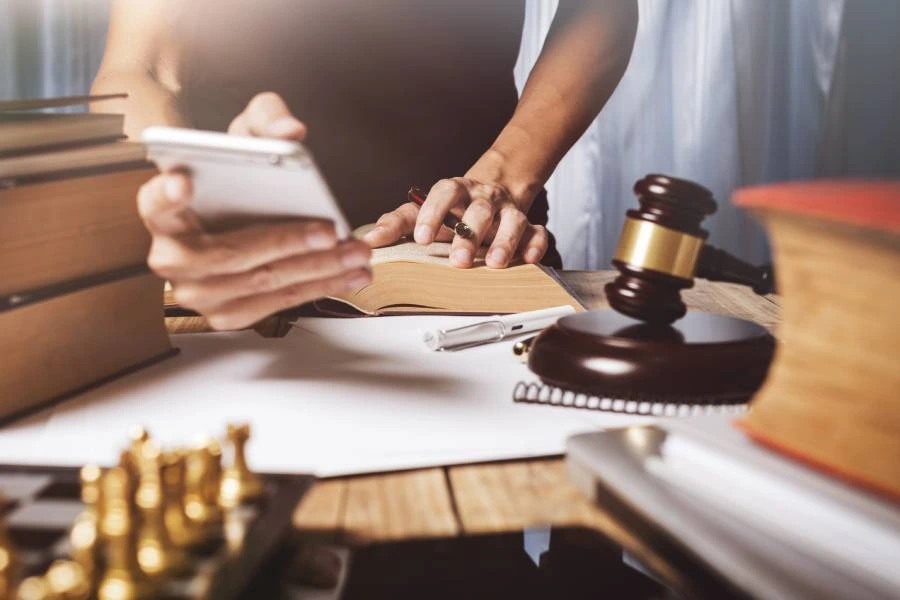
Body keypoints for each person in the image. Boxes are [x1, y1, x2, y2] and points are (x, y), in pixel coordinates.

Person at [92, 0, 637, 330]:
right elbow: (139, 67)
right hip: (229, 261)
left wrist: (502, 175)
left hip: (465, 253)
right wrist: (183, 189)